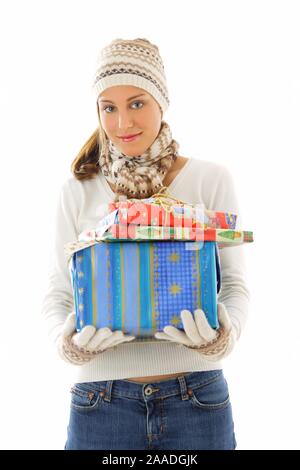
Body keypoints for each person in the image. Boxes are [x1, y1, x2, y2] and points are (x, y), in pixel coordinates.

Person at [41, 37, 250, 450]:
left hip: (197, 398)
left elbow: (237, 286)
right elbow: (58, 294)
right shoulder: (76, 191)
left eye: (137, 103)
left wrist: (223, 337)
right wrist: (67, 344)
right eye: (109, 108)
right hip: (100, 403)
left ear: (161, 101)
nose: (123, 124)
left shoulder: (211, 180)